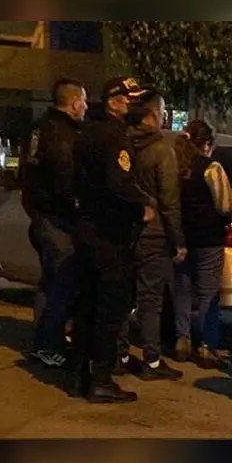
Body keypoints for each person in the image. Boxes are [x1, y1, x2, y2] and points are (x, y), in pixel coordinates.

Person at [70, 76, 155, 403]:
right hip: (109, 236)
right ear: (114, 101)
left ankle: (81, 375)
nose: (138, 106)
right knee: (110, 309)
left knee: (87, 307)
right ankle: (101, 379)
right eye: (132, 100)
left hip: (88, 230)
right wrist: (142, 206)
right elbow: (119, 185)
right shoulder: (112, 136)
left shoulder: (87, 132)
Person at [20, 78, 88, 368]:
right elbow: (65, 179)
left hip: (40, 215)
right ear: (74, 103)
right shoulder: (63, 135)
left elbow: (28, 172)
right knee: (62, 283)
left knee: (49, 283)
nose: (86, 106)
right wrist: (78, 206)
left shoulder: (39, 127)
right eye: (83, 101)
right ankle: (49, 344)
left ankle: (42, 342)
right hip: (58, 219)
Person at [123, 90, 186, 381]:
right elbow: (169, 200)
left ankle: (121, 352)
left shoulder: (123, 143)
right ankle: (151, 359)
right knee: (150, 299)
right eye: (162, 111)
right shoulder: (162, 150)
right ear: (153, 114)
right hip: (154, 234)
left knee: (124, 295)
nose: (164, 116)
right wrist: (178, 240)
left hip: (125, 230)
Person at [171, 121, 232, 368]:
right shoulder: (212, 168)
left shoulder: (177, 167)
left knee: (182, 291)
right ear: (207, 144)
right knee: (208, 293)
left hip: (181, 238)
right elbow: (225, 205)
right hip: (208, 238)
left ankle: (181, 340)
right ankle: (206, 346)